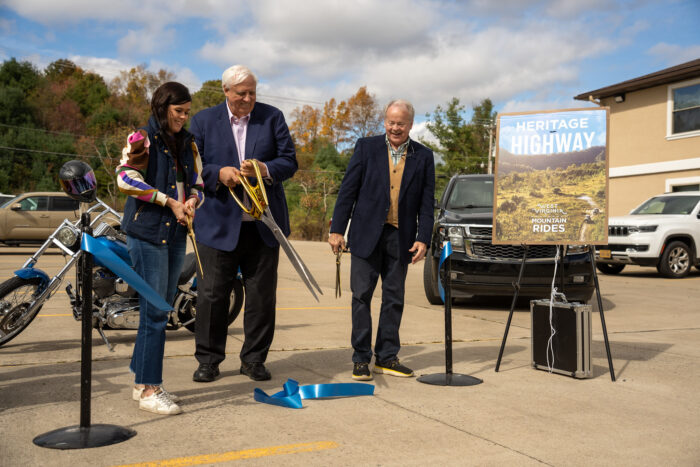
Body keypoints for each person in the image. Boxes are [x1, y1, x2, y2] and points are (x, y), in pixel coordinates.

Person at [189, 65, 297, 383]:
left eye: (252, 92)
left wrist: (264, 169)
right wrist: (217, 173)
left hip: (262, 225)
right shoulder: (203, 120)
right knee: (212, 296)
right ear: (225, 91)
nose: (248, 98)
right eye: (241, 93)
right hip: (217, 225)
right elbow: (192, 165)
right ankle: (209, 361)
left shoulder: (272, 117)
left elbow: (289, 161)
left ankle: (253, 360)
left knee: (262, 298)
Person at [329, 99, 435, 381]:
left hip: (401, 238)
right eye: (390, 122)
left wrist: (423, 238)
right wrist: (337, 229)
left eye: (401, 123)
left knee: (394, 298)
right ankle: (361, 359)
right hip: (365, 235)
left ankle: (387, 357)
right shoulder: (366, 147)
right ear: (384, 121)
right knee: (361, 296)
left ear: (410, 125)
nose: (394, 128)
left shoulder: (424, 156)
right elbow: (348, 190)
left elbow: (427, 203)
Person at [116, 81, 205, 414]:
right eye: (178, 111)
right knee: (154, 312)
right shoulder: (141, 138)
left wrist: (192, 201)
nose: (183, 117)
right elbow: (125, 178)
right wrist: (168, 201)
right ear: (162, 107)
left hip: (177, 232)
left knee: (159, 311)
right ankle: (151, 390)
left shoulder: (189, 143)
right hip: (147, 234)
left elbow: (198, 183)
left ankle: (142, 384)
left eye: (187, 112)